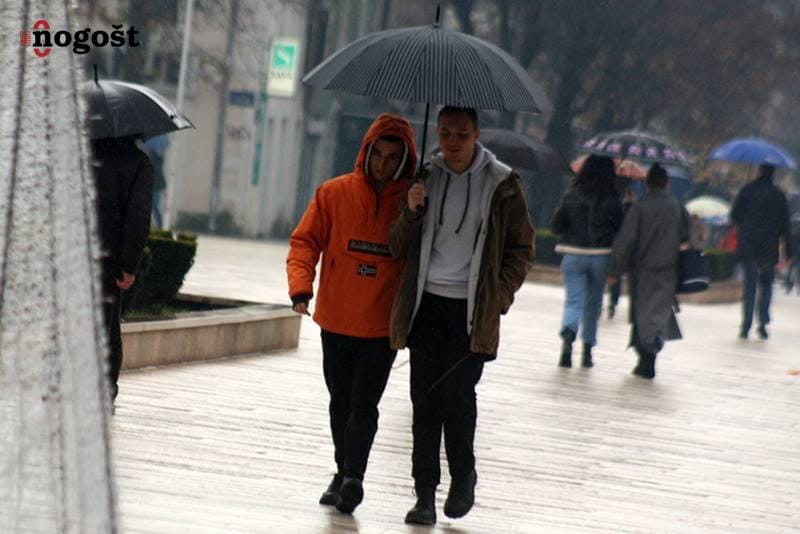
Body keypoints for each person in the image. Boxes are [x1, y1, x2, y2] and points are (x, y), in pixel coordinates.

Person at [388, 106, 534, 525]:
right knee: (424, 403)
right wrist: (411, 211)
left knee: (457, 396)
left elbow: (522, 249)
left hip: (471, 312)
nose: (452, 142)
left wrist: (498, 296)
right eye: (446, 133)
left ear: (476, 135)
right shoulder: (424, 178)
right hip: (426, 306)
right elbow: (397, 245)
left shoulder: (502, 183)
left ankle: (463, 476)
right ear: (437, 131)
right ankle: (424, 495)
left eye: (461, 134)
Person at [286, 113, 417, 515]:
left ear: (404, 159)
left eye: (392, 157)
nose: (383, 164)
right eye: (377, 154)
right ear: (366, 151)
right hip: (337, 317)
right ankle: (344, 470)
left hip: (381, 324)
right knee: (340, 400)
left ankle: (353, 476)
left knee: (364, 403)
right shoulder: (333, 194)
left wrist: (415, 210)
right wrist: (301, 287)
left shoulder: (414, 200)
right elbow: (305, 242)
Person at [607, 164, 689, 379]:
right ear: (667, 183)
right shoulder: (677, 207)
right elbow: (685, 238)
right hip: (668, 269)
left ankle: (646, 353)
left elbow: (626, 240)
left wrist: (615, 269)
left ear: (647, 183)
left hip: (642, 269)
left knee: (642, 311)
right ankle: (651, 350)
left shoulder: (640, 207)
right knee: (658, 312)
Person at [92, 136, 154, 405]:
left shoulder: (79, 155)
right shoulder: (138, 163)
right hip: (108, 260)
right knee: (106, 326)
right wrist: (129, 265)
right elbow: (138, 217)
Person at [551, 155, 623, 368]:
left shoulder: (571, 195)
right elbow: (620, 231)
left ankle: (568, 335)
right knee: (593, 304)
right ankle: (587, 350)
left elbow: (556, 226)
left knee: (573, 301)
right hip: (601, 256)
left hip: (573, 255)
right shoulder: (613, 200)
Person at [730, 164, 793, 339]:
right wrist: (789, 251)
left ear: (759, 172)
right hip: (768, 248)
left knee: (750, 286)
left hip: (749, 246)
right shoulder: (779, 195)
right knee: (766, 285)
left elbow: (735, 215)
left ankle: (746, 325)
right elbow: (785, 225)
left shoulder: (747, 191)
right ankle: (763, 323)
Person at [607, 183, 636, 319]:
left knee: (615, 275)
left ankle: (613, 301)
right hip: (633, 250)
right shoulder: (636, 212)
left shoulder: (619, 209)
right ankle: (619, 303)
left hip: (617, 246)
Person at [143, 135, 169, 228]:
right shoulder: (157, 160)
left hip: (153, 186)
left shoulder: (151, 161)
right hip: (157, 187)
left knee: (152, 206)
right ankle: (158, 224)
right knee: (153, 206)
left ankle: (158, 224)